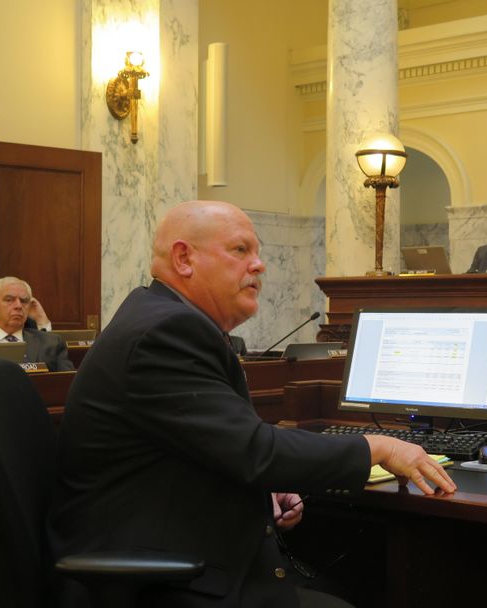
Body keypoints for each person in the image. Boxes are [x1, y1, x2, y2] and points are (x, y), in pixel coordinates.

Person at [48, 200, 456, 608]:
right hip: (159, 581)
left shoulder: (164, 317)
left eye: (257, 252)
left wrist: (263, 492)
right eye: (241, 250)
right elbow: (254, 451)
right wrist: (379, 446)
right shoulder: (167, 331)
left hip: (179, 549)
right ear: (184, 257)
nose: (259, 265)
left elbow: (212, 447)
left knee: (350, 586)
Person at [0, 276, 74, 372]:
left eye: (24, 301)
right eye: (9, 300)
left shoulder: (51, 343)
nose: (18, 306)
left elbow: (67, 382)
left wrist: (41, 320)